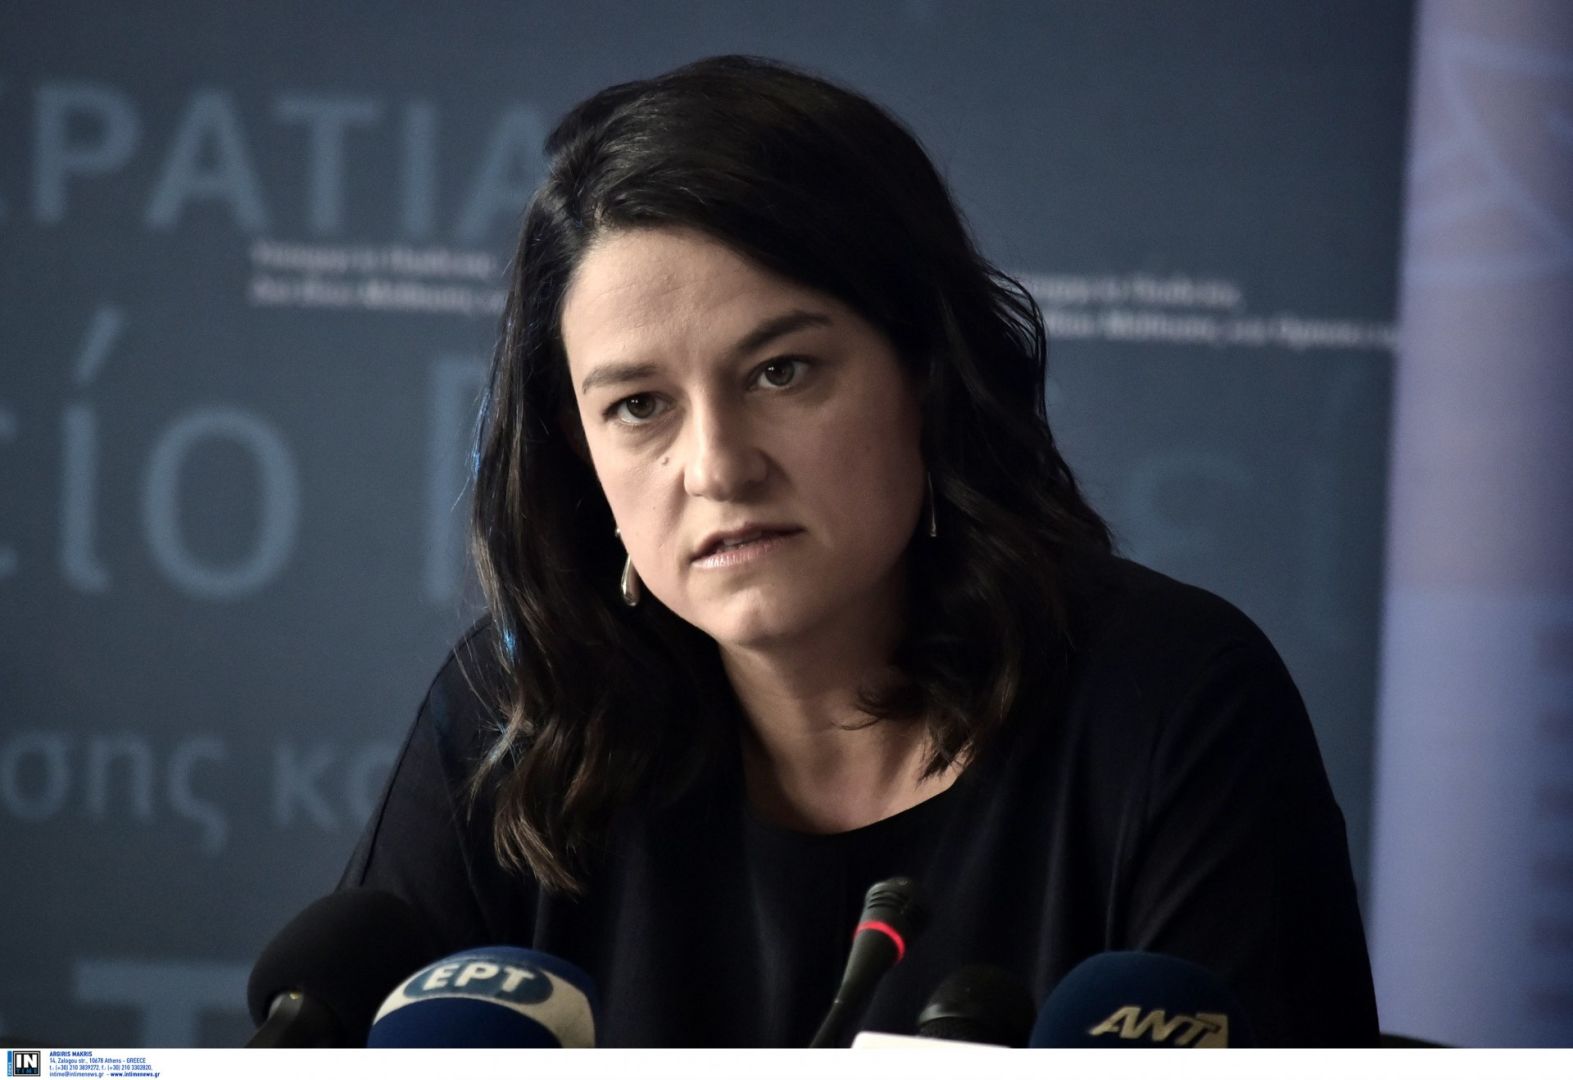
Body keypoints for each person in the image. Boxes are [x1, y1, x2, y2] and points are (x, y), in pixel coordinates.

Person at [342, 54, 1378, 1047]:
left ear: (927, 371)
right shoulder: (516, 714)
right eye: (640, 406)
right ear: (580, 451)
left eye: (781, 372)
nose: (717, 467)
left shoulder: (1169, 704)